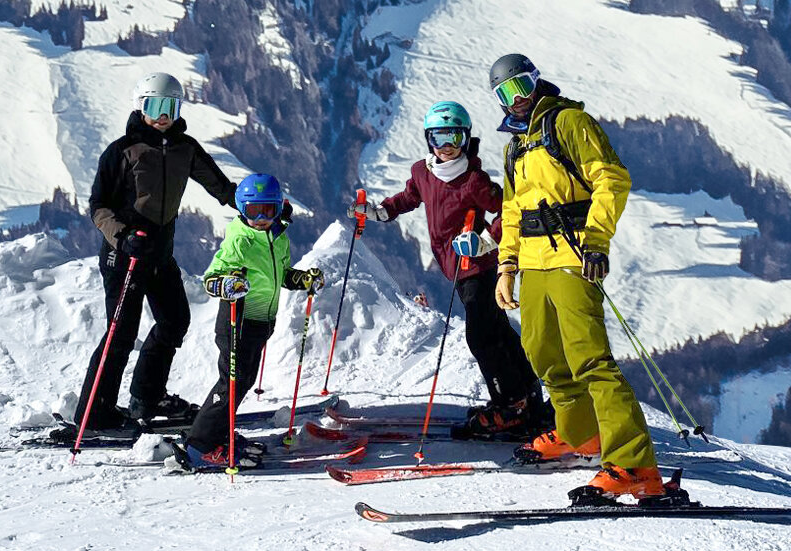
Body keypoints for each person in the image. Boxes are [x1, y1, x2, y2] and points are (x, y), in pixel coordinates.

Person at [489, 53, 665, 500]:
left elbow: (611, 179)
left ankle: (633, 464)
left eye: (522, 86)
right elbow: (511, 211)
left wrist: (597, 241)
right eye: (505, 94)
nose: (517, 100)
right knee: (544, 354)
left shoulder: (566, 123)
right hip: (531, 263)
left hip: (571, 255)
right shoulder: (515, 147)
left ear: (537, 81)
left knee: (591, 359)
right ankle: (580, 434)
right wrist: (506, 266)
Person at [349, 100, 554, 440]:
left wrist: (487, 240)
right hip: (454, 268)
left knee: (482, 336)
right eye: (439, 138)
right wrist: (380, 212)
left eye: (454, 138)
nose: (446, 148)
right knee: (497, 331)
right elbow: (408, 197)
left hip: (478, 267)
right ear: (428, 140)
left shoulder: (473, 180)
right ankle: (527, 397)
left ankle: (510, 406)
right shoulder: (422, 172)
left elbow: (509, 209)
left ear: (466, 139)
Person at [75, 72, 238, 431]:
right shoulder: (122, 151)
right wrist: (121, 235)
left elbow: (223, 188)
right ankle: (94, 413)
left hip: (160, 254)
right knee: (120, 333)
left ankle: (147, 397)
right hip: (125, 255)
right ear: (141, 106)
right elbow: (98, 205)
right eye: (154, 106)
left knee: (175, 319)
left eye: (170, 106)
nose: (162, 115)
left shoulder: (185, 148)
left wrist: (262, 208)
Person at [183, 173, 325, 469]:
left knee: (243, 381)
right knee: (231, 384)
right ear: (241, 209)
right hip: (237, 320)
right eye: (253, 211)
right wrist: (227, 284)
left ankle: (219, 434)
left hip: (261, 321)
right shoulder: (240, 239)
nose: (260, 218)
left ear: (277, 208)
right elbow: (212, 278)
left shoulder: (278, 237)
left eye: (267, 211)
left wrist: (301, 279)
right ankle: (200, 446)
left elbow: (281, 275)